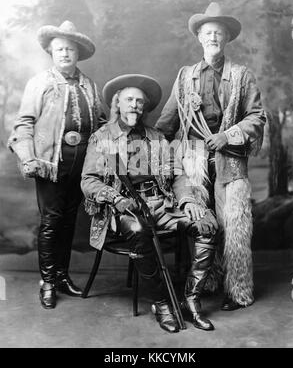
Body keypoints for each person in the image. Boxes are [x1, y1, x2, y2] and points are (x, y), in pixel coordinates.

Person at [81, 74, 218, 333]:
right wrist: (116, 198)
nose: (134, 105)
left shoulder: (156, 137)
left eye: (140, 101)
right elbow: (88, 180)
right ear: (117, 103)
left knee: (207, 225)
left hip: (161, 203)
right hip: (121, 211)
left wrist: (188, 200)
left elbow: (177, 173)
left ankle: (191, 299)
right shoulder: (103, 137)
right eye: (129, 99)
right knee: (140, 232)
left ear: (144, 107)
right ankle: (163, 303)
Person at [155, 2, 266, 310]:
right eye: (208, 32)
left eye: (219, 32)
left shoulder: (242, 76)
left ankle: (238, 291)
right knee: (203, 223)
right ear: (199, 38)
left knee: (235, 226)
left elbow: (257, 117)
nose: (213, 37)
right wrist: (151, 148)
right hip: (194, 162)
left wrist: (227, 136)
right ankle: (208, 280)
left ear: (227, 38)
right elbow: (167, 122)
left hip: (230, 162)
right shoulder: (185, 76)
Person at [8, 21, 106, 309]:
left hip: (82, 165)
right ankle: (48, 282)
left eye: (70, 49)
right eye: (60, 49)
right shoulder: (40, 82)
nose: (65, 54)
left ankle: (62, 277)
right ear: (51, 52)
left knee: (68, 223)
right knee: (51, 223)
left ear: (78, 54)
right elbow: (23, 124)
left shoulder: (89, 84)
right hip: (51, 164)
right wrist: (28, 157)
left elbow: (100, 123)